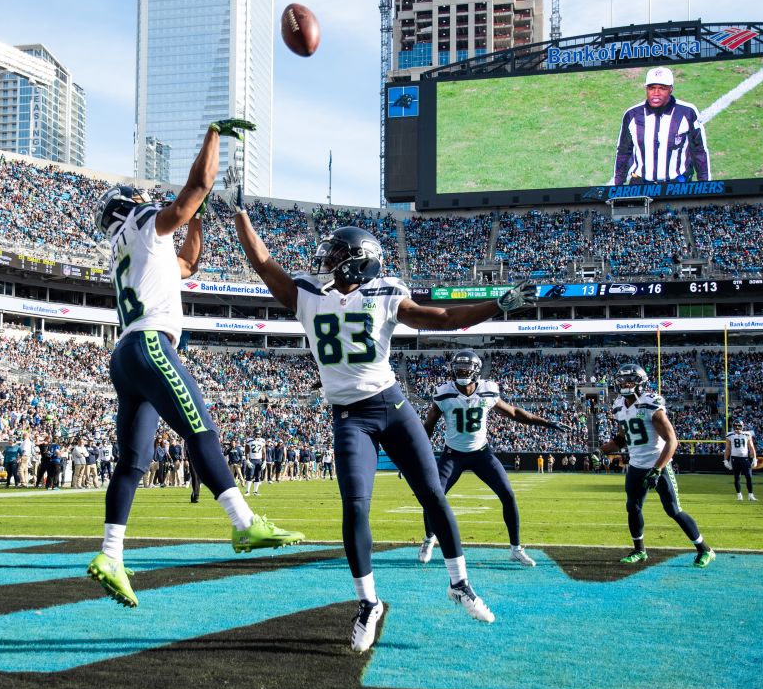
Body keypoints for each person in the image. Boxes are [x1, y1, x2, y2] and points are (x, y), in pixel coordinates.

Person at [230, 168, 540, 653]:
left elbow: (446, 319)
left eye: (335, 255)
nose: (325, 260)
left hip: (392, 406)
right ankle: (368, 603)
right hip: (350, 416)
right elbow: (262, 261)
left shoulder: (386, 293)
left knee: (433, 494)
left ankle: (460, 583)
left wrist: (495, 305)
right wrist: (240, 212)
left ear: (356, 263)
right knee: (355, 505)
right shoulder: (308, 294)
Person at [85, 118, 304, 609]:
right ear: (129, 208)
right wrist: (213, 135)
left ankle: (111, 555)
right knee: (201, 432)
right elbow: (196, 187)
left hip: (125, 355)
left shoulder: (132, 247)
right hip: (151, 344)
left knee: (132, 461)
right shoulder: (142, 225)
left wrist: (197, 220)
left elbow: (187, 264)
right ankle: (245, 524)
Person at [419, 349, 566, 567]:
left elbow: (514, 413)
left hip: (481, 454)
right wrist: (414, 456)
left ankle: (516, 548)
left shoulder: (488, 390)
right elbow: (428, 427)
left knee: (507, 494)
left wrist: (546, 422)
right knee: (432, 497)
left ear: (476, 371)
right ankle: (429, 539)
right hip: (453, 455)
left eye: (466, 369)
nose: (461, 373)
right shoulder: (444, 393)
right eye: (458, 369)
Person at [599, 364, 715, 568]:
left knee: (673, 510)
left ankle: (705, 549)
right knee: (632, 508)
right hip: (636, 465)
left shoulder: (650, 403)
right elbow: (622, 438)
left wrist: (657, 469)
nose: (624, 384)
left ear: (640, 382)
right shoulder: (618, 404)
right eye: (622, 380)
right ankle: (639, 550)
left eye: (630, 380)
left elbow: (672, 441)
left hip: (657, 463)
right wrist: (600, 451)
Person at [614, 66, 711, 186]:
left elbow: (699, 151)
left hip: (676, 185)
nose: (656, 93)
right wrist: (617, 185)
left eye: (662, 88)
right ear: (646, 89)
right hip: (640, 185)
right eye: (651, 88)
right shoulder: (632, 115)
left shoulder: (687, 112)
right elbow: (623, 152)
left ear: (671, 89)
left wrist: (706, 185)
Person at [724, 419, 758, 501]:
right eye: (736, 426)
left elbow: (751, 447)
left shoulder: (747, 434)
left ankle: (750, 495)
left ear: (742, 426)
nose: (737, 428)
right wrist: (725, 460)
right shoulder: (730, 435)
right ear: (733, 426)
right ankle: (739, 495)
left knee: (749, 477)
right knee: (737, 477)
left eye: (739, 426)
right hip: (735, 459)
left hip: (745, 458)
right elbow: (727, 448)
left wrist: (754, 458)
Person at [246, 430, 266, 495]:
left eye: (259, 434)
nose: (257, 435)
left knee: (258, 476)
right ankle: (247, 491)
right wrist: (247, 460)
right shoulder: (249, 440)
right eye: (256, 434)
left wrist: (264, 461)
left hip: (259, 460)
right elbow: (246, 451)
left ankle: (255, 491)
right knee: (250, 476)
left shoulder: (262, 441)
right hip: (252, 460)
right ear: (254, 434)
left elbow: (263, 452)